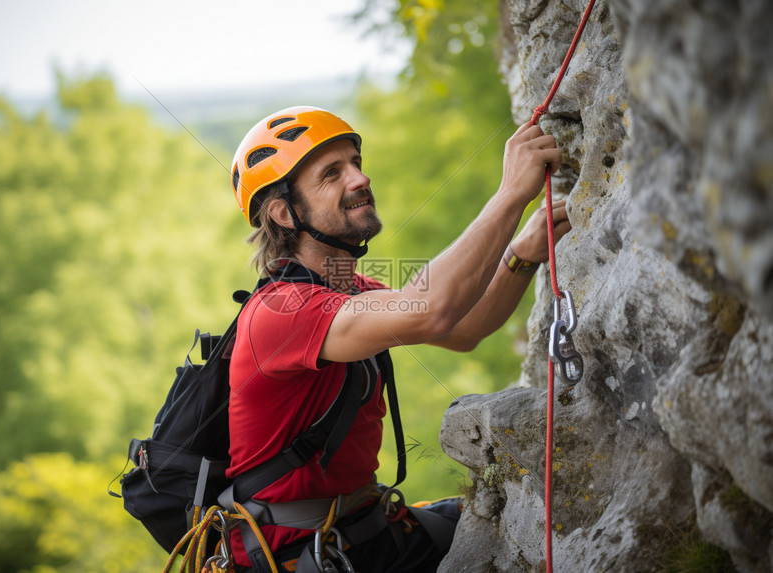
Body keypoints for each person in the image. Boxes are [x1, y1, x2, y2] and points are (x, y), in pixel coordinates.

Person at [225, 106, 569, 572]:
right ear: (284, 213)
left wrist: (520, 256)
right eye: (332, 174)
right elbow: (430, 309)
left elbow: (464, 327)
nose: (359, 178)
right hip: (296, 556)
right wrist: (511, 194)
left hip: (366, 529)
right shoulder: (279, 312)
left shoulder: (348, 287)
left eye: (355, 163)